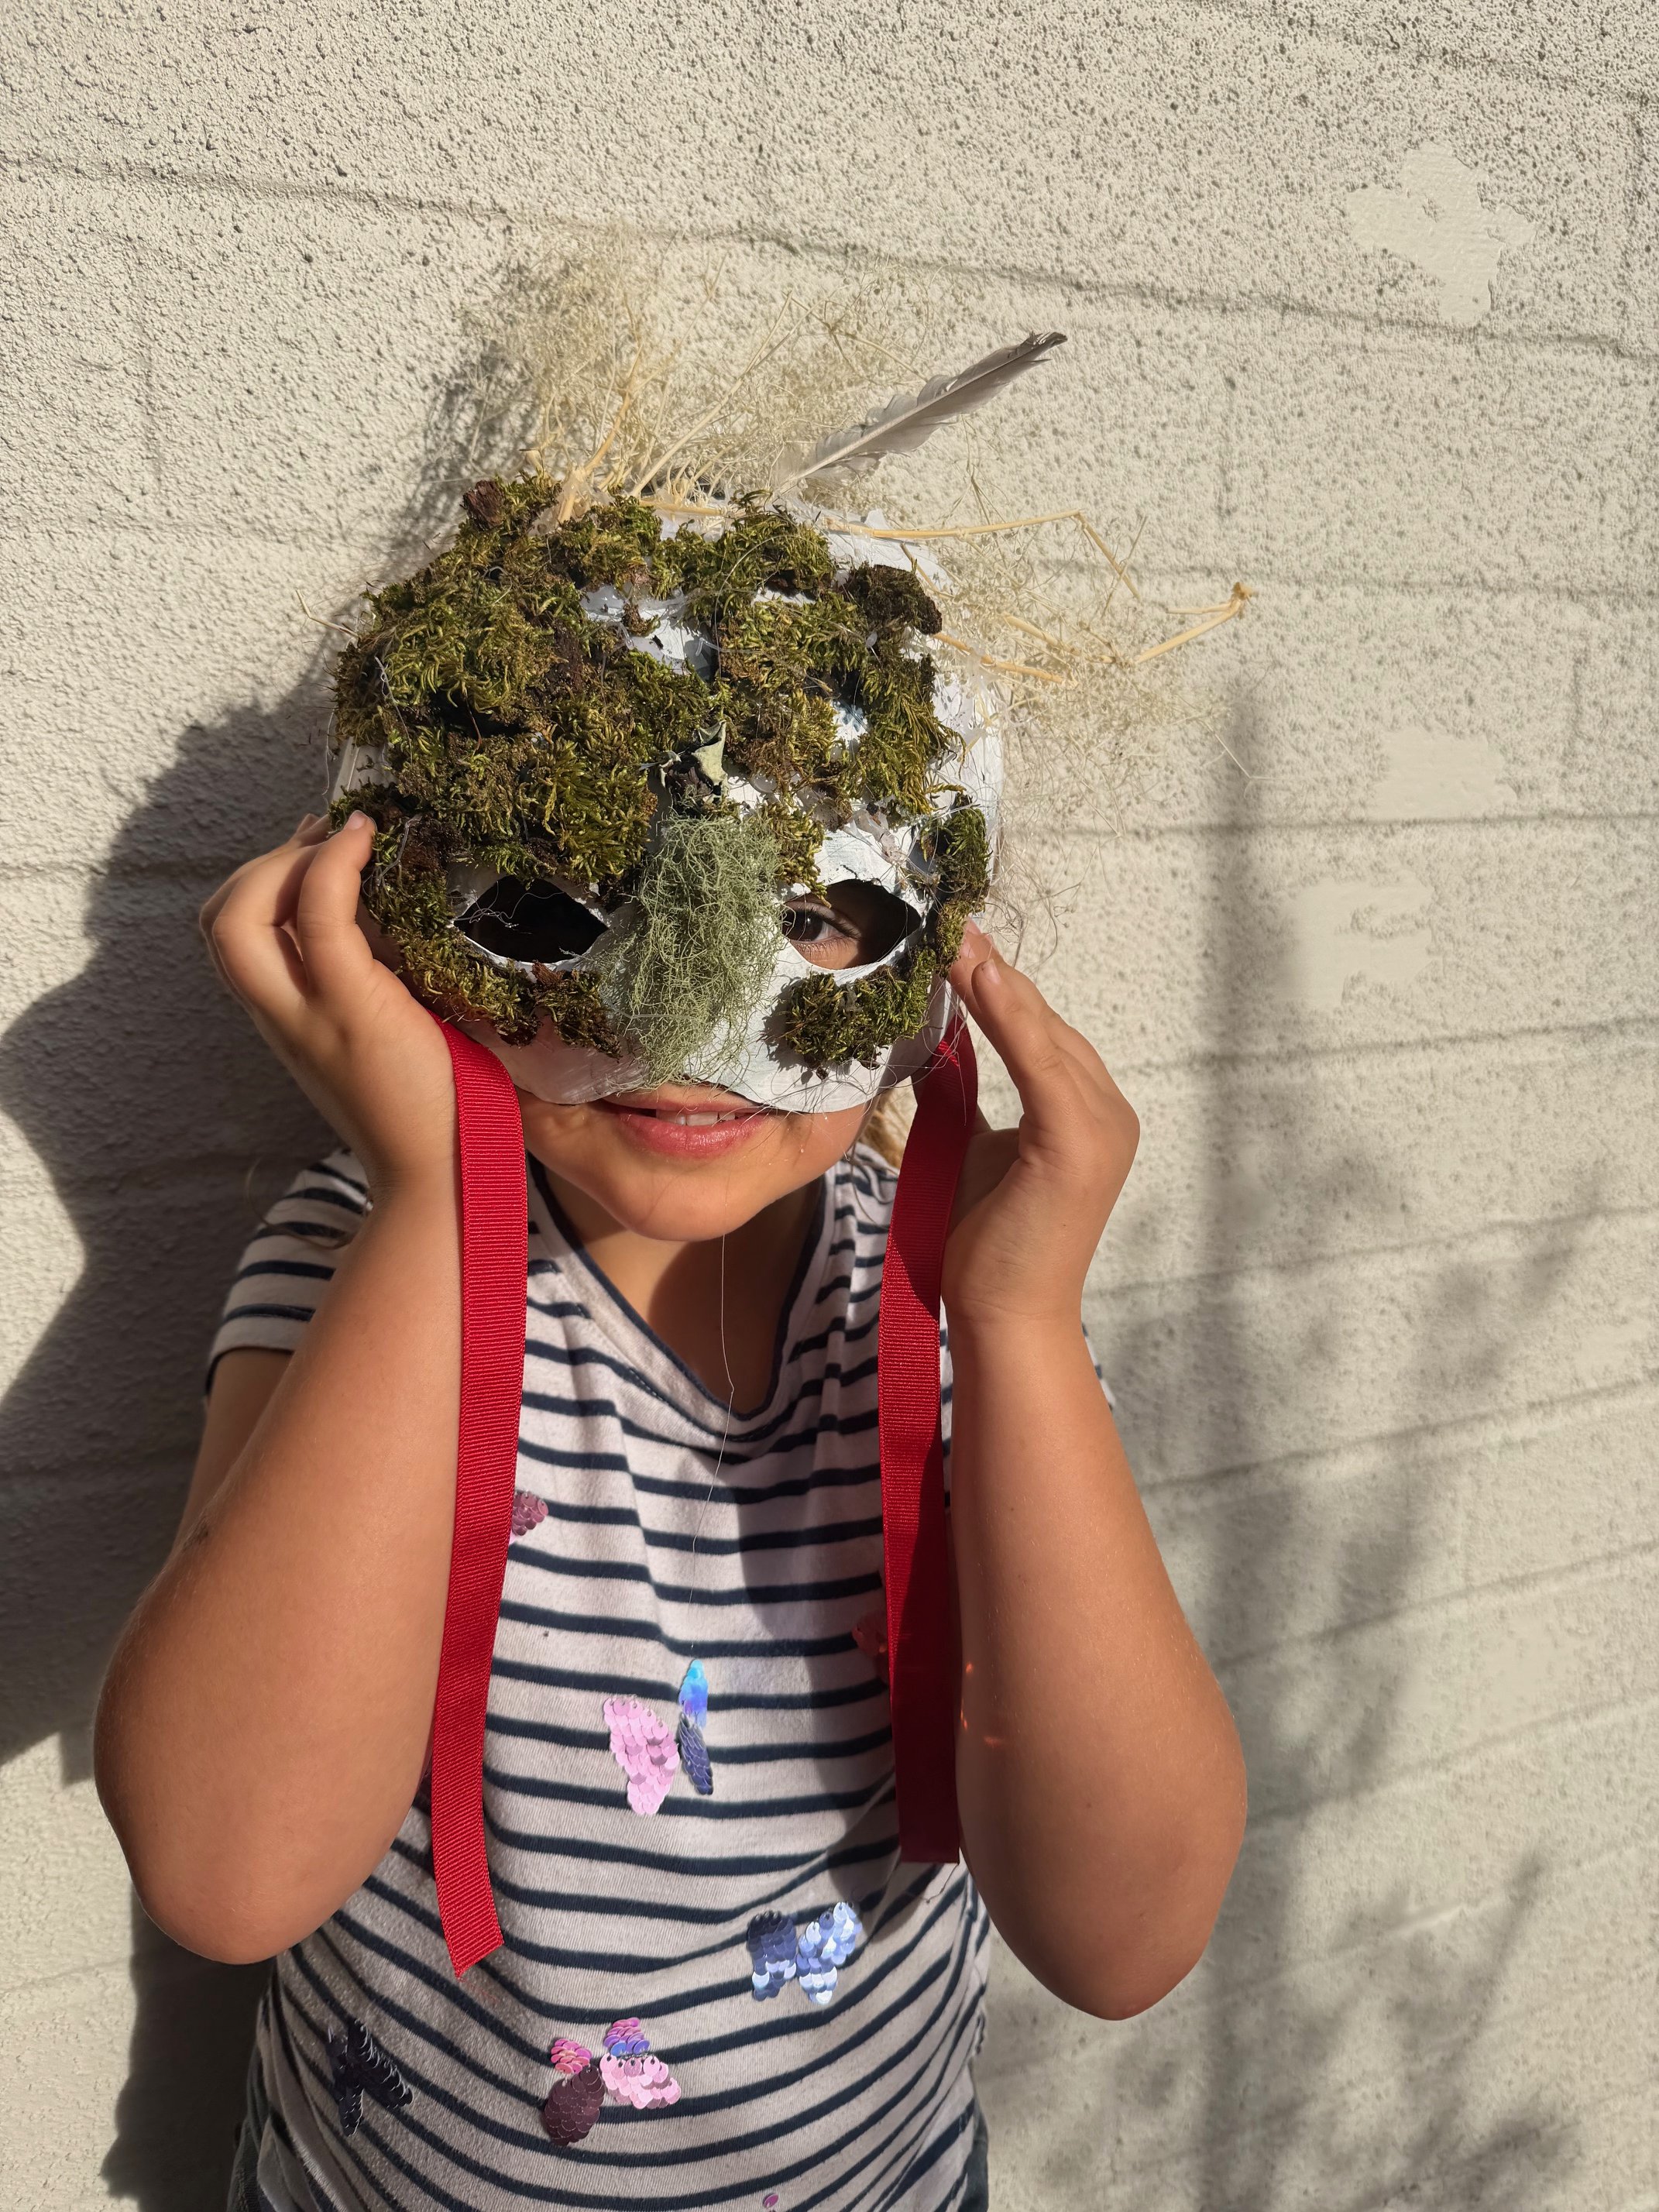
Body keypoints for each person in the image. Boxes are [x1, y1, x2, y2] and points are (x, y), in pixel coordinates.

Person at [94, 455, 1246, 2212]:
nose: (693, 1011)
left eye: (817, 910)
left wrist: (1015, 1321)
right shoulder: (350, 1263)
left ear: (933, 937)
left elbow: (1125, 1936)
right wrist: (428, 1207)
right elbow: (227, 1870)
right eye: (559, 900)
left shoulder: (950, 1309)